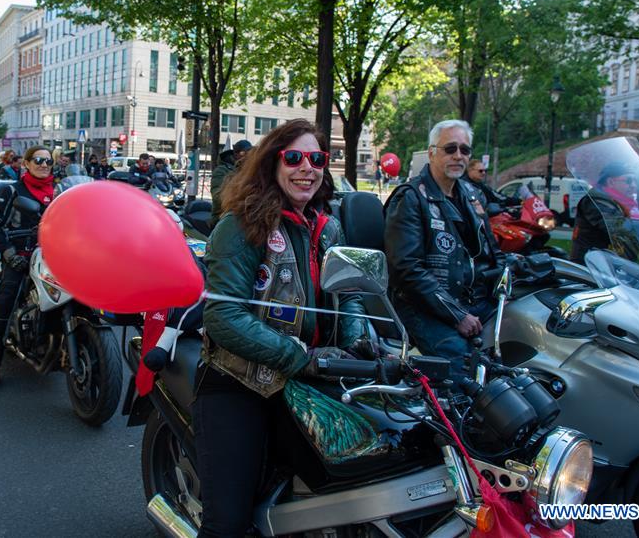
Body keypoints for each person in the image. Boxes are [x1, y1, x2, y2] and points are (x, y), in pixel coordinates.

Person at [198, 119, 367, 536]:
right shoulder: (240, 226)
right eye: (294, 157)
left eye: (316, 159)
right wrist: (301, 357)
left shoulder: (330, 229)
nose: (306, 167)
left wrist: (360, 342)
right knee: (227, 524)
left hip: (312, 379)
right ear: (272, 163)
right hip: (241, 382)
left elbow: (350, 297)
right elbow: (223, 316)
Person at [383, 120, 503, 382]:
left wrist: (512, 272)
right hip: (422, 305)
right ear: (431, 153)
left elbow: (491, 250)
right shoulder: (410, 198)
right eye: (450, 149)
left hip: (470, 299)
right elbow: (406, 270)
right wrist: (456, 314)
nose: (458, 155)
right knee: (463, 372)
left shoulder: (471, 196)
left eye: (464, 150)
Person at [0, 145, 56, 392]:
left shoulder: (60, 192)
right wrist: (10, 255)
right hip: (21, 257)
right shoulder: (12, 190)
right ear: (26, 163)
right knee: (5, 306)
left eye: (48, 161)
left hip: (55, 259)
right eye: (38, 160)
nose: (44, 164)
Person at [570, 161, 639, 264]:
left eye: (635, 181)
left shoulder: (620, 202)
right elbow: (617, 225)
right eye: (629, 180)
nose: (634, 185)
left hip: (610, 265)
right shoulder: (596, 201)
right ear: (611, 182)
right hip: (589, 268)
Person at [210, 139, 253, 228]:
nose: (247, 156)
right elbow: (218, 197)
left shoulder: (248, 171)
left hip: (243, 217)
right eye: (244, 153)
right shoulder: (221, 171)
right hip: (222, 217)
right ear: (235, 154)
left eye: (250, 153)